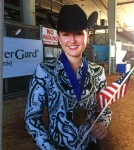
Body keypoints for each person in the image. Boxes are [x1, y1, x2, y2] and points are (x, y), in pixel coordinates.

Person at [24, 4, 112, 150]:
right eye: (65, 34)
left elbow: (105, 110)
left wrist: (103, 124)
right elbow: (31, 118)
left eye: (78, 33)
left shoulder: (98, 72)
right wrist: (48, 147)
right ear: (59, 38)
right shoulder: (44, 71)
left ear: (87, 36)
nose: (72, 40)